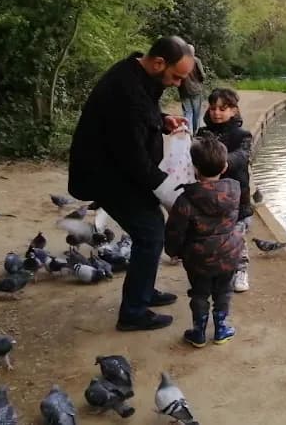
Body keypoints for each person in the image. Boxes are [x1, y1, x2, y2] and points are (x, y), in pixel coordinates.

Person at [68, 36, 194, 331]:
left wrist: (162, 120)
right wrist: (174, 193)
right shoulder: (125, 93)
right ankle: (133, 313)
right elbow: (135, 160)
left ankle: (143, 293)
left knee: (151, 232)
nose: (177, 83)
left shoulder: (137, 73)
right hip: (107, 175)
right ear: (159, 63)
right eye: (176, 77)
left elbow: (139, 119)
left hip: (120, 170)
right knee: (150, 234)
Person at [164, 133, 243, 347]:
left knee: (199, 294)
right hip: (229, 254)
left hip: (198, 259)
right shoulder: (234, 190)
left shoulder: (185, 199)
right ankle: (221, 329)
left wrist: (173, 251)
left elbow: (175, 231)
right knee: (224, 292)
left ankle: (199, 332)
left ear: (194, 168)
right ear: (224, 167)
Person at [196, 88, 253, 292]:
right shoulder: (203, 134)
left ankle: (241, 270)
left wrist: (223, 162)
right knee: (213, 235)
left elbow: (243, 155)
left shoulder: (242, 135)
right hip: (210, 196)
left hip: (236, 198)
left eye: (223, 108)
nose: (217, 113)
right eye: (213, 108)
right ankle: (218, 270)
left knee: (237, 236)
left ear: (234, 110)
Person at [179, 44, 206, 134]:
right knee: (196, 113)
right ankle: (195, 132)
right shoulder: (196, 61)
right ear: (193, 52)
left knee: (188, 112)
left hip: (183, 90)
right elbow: (202, 75)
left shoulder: (180, 61)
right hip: (196, 90)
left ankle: (188, 132)